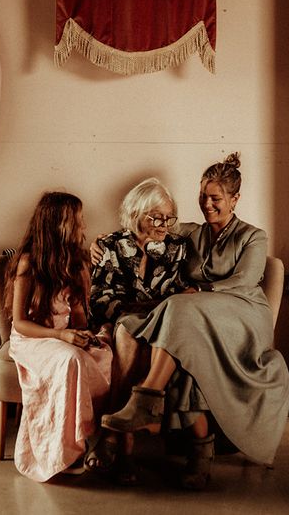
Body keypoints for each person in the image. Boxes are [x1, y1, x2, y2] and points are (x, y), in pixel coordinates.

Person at [96, 153, 289, 490]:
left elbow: (245, 280)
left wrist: (197, 290)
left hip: (243, 314)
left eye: (215, 198)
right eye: (203, 195)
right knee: (174, 336)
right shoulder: (191, 233)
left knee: (180, 307)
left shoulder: (253, 236)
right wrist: (96, 245)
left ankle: (146, 398)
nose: (207, 203)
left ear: (235, 200)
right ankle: (201, 454)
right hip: (196, 317)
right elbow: (146, 224)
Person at [85, 177, 192, 484]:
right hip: (127, 323)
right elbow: (101, 301)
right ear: (136, 213)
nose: (164, 223)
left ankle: (110, 437)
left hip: (160, 325)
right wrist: (152, 307)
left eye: (168, 217)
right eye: (156, 216)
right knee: (127, 332)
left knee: (138, 334)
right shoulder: (109, 246)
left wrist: (157, 306)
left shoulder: (178, 247)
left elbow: (182, 293)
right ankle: (126, 450)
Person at [3, 191, 112, 482]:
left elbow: (77, 315)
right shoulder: (28, 263)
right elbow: (21, 324)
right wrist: (61, 336)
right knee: (70, 360)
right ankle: (64, 452)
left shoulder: (75, 262)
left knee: (103, 353)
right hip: (33, 339)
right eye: (76, 221)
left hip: (62, 336)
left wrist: (86, 334)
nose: (83, 226)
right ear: (56, 224)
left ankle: (96, 438)